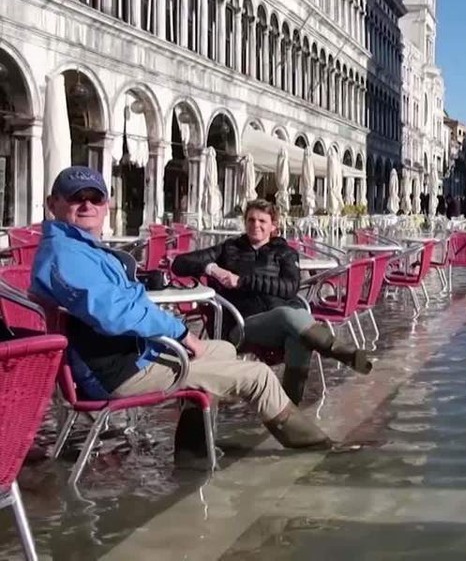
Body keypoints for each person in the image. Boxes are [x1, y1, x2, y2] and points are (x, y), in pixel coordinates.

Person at [31, 167, 332, 459]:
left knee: (224, 349)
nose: (86, 205)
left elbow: (124, 304)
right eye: (75, 197)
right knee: (259, 376)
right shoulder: (66, 255)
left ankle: (194, 451)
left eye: (94, 198)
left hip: (129, 357)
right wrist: (182, 333)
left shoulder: (79, 249)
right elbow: (116, 313)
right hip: (119, 373)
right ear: (52, 204)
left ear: (106, 205)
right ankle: (318, 450)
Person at [171, 199, 372, 404]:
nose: (255, 225)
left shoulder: (284, 252)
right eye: (250, 220)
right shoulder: (229, 248)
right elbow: (179, 263)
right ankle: (339, 351)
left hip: (283, 322)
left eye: (262, 221)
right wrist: (212, 268)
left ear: (273, 225)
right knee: (289, 315)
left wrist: (241, 281)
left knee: (299, 339)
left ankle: (289, 406)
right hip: (242, 325)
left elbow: (290, 287)